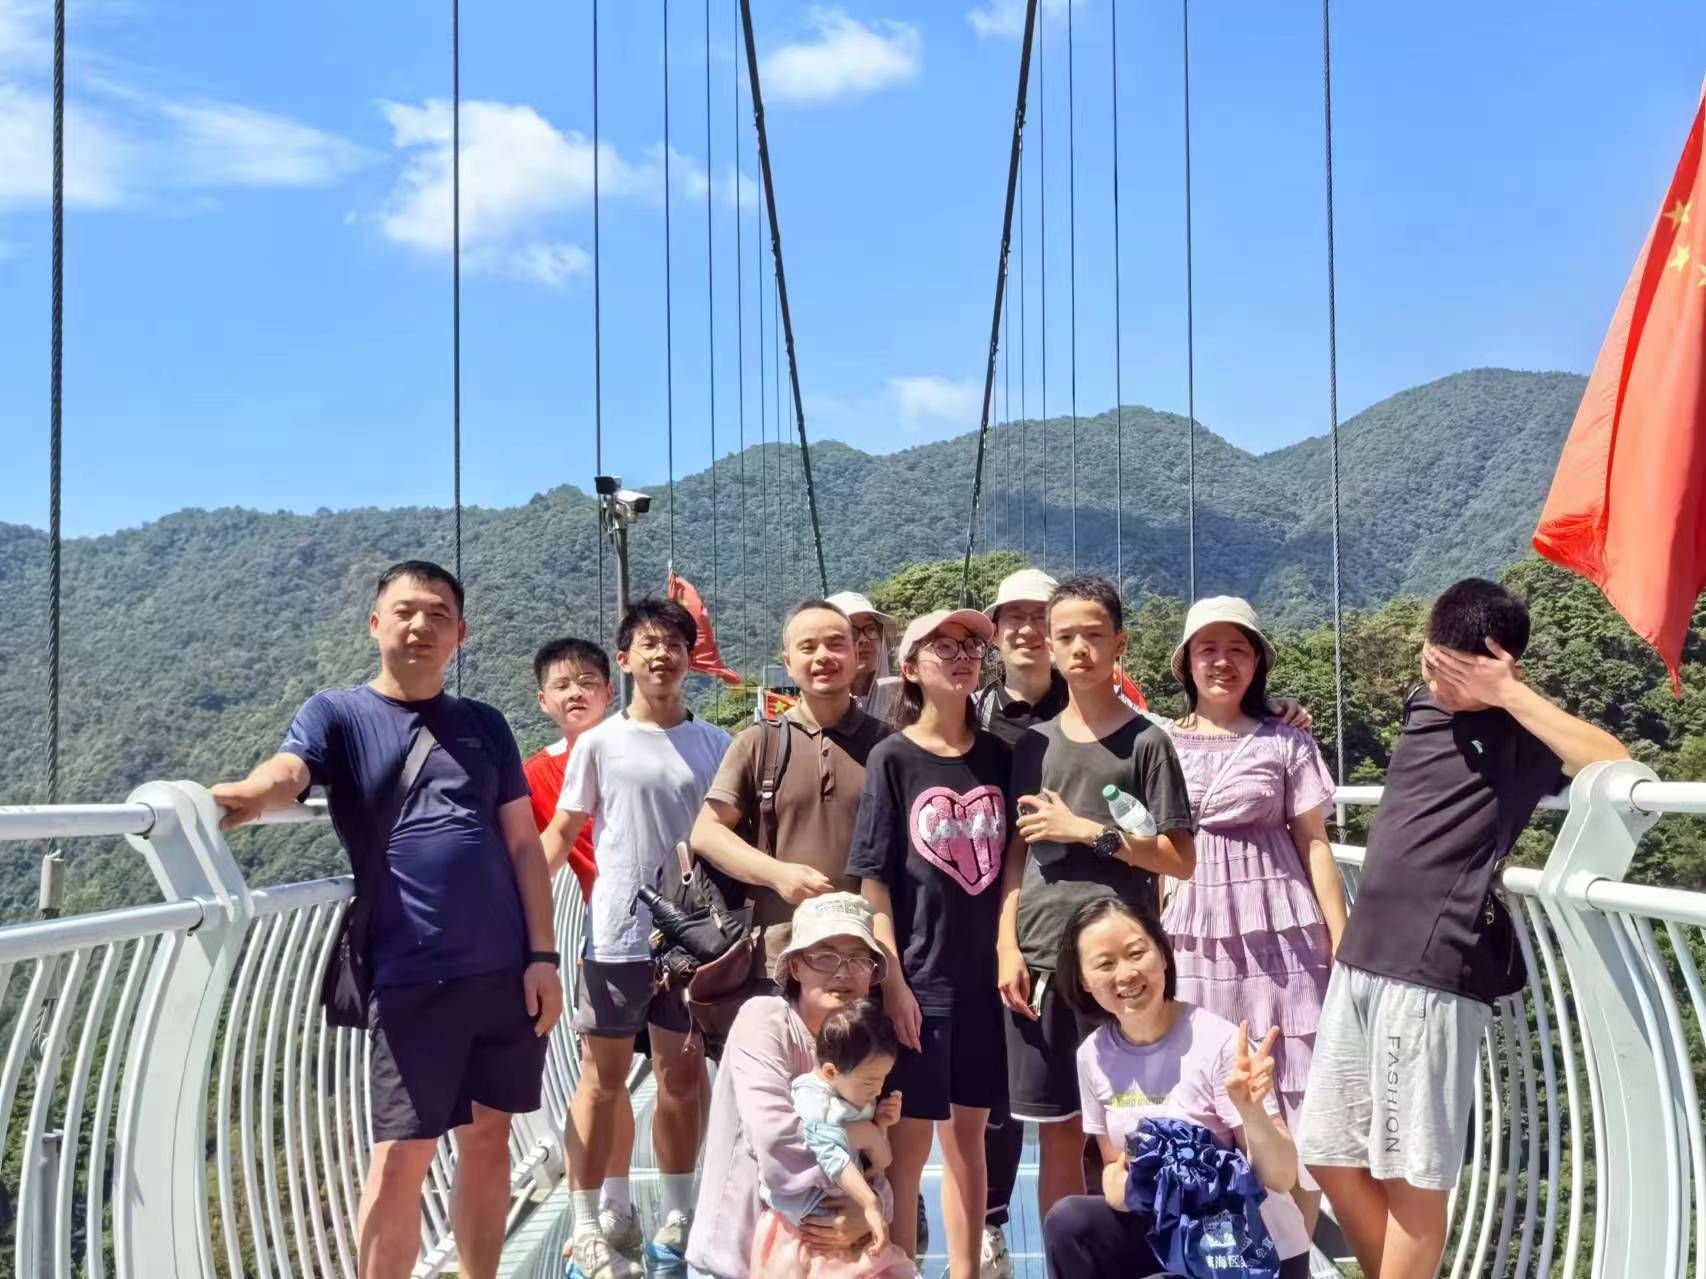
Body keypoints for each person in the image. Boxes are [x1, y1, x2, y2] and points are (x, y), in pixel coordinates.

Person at [209, 561, 564, 1279]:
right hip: (410, 972)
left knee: (490, 1136)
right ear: (376, 624)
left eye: (438, 614)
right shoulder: (338, 713)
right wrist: (249, 792)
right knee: (401, 1154)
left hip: (504, 969)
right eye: (405, 611)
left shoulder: (484, 725)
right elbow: (291, 770)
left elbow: (525, 845)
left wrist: (544, 957)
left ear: (460, 635)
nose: (420, 625)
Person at [1299, 578, 1628, 1279]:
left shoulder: (1522, 737)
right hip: (1363, 957)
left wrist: (1509, 694)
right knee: (1327, 1151)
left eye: (1451, 666)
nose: (1432, 675)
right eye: (1430, 658)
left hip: (1432, 968)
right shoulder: (1425, 703)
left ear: (1493, 665)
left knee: (1413, 1179)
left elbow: (1617, 763)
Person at [996, 576, 1197, 1237]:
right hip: (1041, 960)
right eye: (1066, 636)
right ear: (1050, 648)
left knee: (1135, 1126)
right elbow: (1015, 856)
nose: (1079, 648)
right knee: (1058, 1133)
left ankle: (1143, 1256)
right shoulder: (1032, 746)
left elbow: (1179, 858)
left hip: (1121, 967)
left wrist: (1087, 831)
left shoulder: (1147, 742)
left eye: (1093, 634)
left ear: (1120, 644)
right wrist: (1006, 946)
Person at [544, 598, 732, 1279]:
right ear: (625, 660)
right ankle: (588, 1222)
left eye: (675, 643)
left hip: (693, 943)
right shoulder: (599, 743)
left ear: (690, 658)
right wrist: (511, 907)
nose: (663, 654)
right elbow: (563, 832)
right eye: (649, 643)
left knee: (681, 1078)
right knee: (601, 1082)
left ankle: (678, 1214)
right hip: (616, 937)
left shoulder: (718, 745)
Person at [1159, 597, 1347, 1235]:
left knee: (1292, 1081)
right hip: (1193, 930)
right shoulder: (1159, 742)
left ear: (1258, 661)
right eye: (1208, 649)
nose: (1222, 662)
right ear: (1186, 663)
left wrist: (1341, 938)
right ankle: (1215, 1251)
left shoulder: (1288, 740)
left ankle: (1295, 1253)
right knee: (1202, 1079)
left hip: (1281, 932)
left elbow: (1315, 842)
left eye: (1237, 649)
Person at [849, 607, 1014, 1276]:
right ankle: (902, 1267)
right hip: (919, 981)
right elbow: (874, 881)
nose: (961, 655)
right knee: (910, 1144)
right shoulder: (892, 757)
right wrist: (892, 981)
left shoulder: (1000, 755)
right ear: (911, 668)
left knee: (969, 1141)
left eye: (971, 645)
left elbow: (1015, 864)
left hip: (983, 983)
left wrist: (1008, 949)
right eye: (942, 647)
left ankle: (966, 1269)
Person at [1043, 896, 1313, 1279]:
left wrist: (1252, 1113)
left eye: (1137, 953)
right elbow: (1114, 1169)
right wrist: (1124, 1183)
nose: (1126, 974)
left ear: (1163, 955)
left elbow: (1282, 1177)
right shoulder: (1093, 1055)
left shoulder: (1219, 1044)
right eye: (1105, 964)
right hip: (1168, 1237)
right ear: (1084, 981)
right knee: (1070, 1222)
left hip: (1249, 1249)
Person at [686, 893, 898, 1279]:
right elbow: (777, 1141)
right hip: (737, 1263)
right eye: (825, 956)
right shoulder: (764, 1020)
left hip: (824, 1264)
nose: (843, 972)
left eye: (858, 959)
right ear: (796, 966)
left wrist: (872, 1207)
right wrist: (861, 1150)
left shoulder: (861, 1041)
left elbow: (873, 1163)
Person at [692, 601, 893, 979]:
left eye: (836, 644)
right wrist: (777, 875)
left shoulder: (889, 745)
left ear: (855, 654)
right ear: (788, 662)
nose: (823, 656)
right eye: (808, 647)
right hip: (778, 960)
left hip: (865, 959)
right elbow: (706, 832)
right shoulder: (759, 742)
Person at [751, 999, 915, 1278]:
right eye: (870, 1082)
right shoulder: (813, 1101)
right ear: (830, 1072)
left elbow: (880, 1162)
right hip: (806, 1234)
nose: (877, 1091)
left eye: (883, 1080)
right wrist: (870, 1203)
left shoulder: (852, 1091)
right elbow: (832, 1156)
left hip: (845, 1224)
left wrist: (881, 1127)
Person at [523, 637, 611, 903]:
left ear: (609, 692)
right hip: (598, 916)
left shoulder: (642, 754)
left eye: (587, 682)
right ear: (543, 700)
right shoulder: (533, 776)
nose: (575, 693)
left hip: (669, 908)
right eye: (561, 686)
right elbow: (533, 853)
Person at [972, 568, 1068, 748]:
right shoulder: (969, 714)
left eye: (1041, 616)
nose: (1028, 630)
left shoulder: (1090, 707)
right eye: (1016, 616)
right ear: (994, 633)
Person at [827, 591, 904, 725]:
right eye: (851, 631)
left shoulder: (905, 698)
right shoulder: (818, 711)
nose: (864, 639)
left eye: (871, 629)